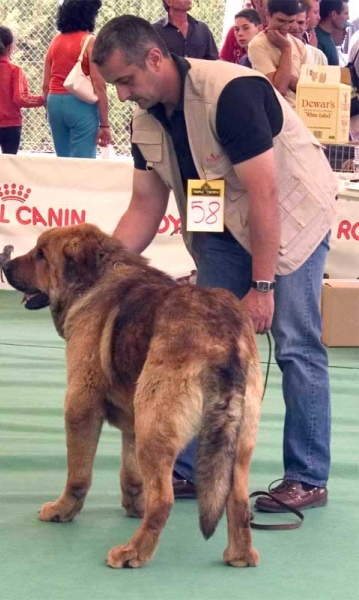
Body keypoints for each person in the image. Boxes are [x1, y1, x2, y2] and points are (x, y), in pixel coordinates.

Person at [92, 15, 337, 513]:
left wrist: (263, 286)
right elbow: (144, 207)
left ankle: (307, 477)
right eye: (113, 84)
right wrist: (99, 275)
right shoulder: (145, 120)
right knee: (199, 343)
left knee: (294, 343)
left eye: (125, 80)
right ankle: (187, 472)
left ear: (155, 59)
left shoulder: (232, 93)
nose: (120, 95)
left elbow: (266, 196)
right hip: (223, 229)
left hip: (291, 217)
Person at [43, 0, 111, 158]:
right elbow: (99, 85)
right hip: (80, 104)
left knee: (63, 159)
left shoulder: (55, 41)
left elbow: (45, 85)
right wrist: (105, 124)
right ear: (89, 15)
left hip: (54, 103)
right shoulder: (89, 42)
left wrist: (49, 108)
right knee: (83, 162)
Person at [0, 26, 44, 154]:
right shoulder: (15, 70)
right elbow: (21, 98)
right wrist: (42, 100)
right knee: (10, 163)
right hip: (12, 126)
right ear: (10, 47)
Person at [248, 0, 307, 109]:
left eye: (291, 21)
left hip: (302, 112)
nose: (286, 27)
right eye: (281, 20)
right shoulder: (257, 45)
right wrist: (286, 49)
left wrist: (285, 76)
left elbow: (307, 90)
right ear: (268, 15)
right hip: (277, 114)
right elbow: (278, 90)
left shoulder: (299, 45)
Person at [152, 0, 218, 60]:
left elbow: (213, 60)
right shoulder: (155, 31)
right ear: (169, 1)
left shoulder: (202, 29)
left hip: (198, 73)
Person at [316, 0, 350, 65]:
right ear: (334, 15)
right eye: (346, 13)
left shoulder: (327, 37)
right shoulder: (318, 40)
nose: (348, 18)